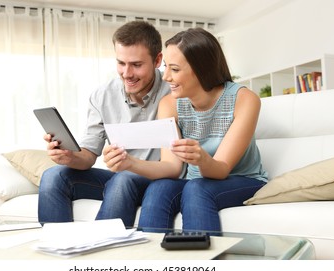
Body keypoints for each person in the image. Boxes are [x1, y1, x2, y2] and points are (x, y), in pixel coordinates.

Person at [103, 27, 268, 233]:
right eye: (166, 67)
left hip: (242, 180)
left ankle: (203, 264)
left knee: (197, 188)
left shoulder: (244, 99)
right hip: (195, 181)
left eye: (175, 69)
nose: (165, 77)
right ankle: (151, 260)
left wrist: (201, 159)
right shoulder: (169, 104)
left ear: (201, 69)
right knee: (159, 188)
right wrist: (129, 162)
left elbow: (221, 169)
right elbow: (171, 167)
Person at [38, 20, 170, 226]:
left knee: (123, 178)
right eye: (121, 63)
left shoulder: (174, 91)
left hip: (160, 180)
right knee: (54, 176)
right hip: (121, 181)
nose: (127, 74)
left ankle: (101, 252)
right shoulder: (102, 96)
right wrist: (69, 156)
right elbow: (88, 157)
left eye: (136, 65)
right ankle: (57, 249)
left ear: (157, 60)